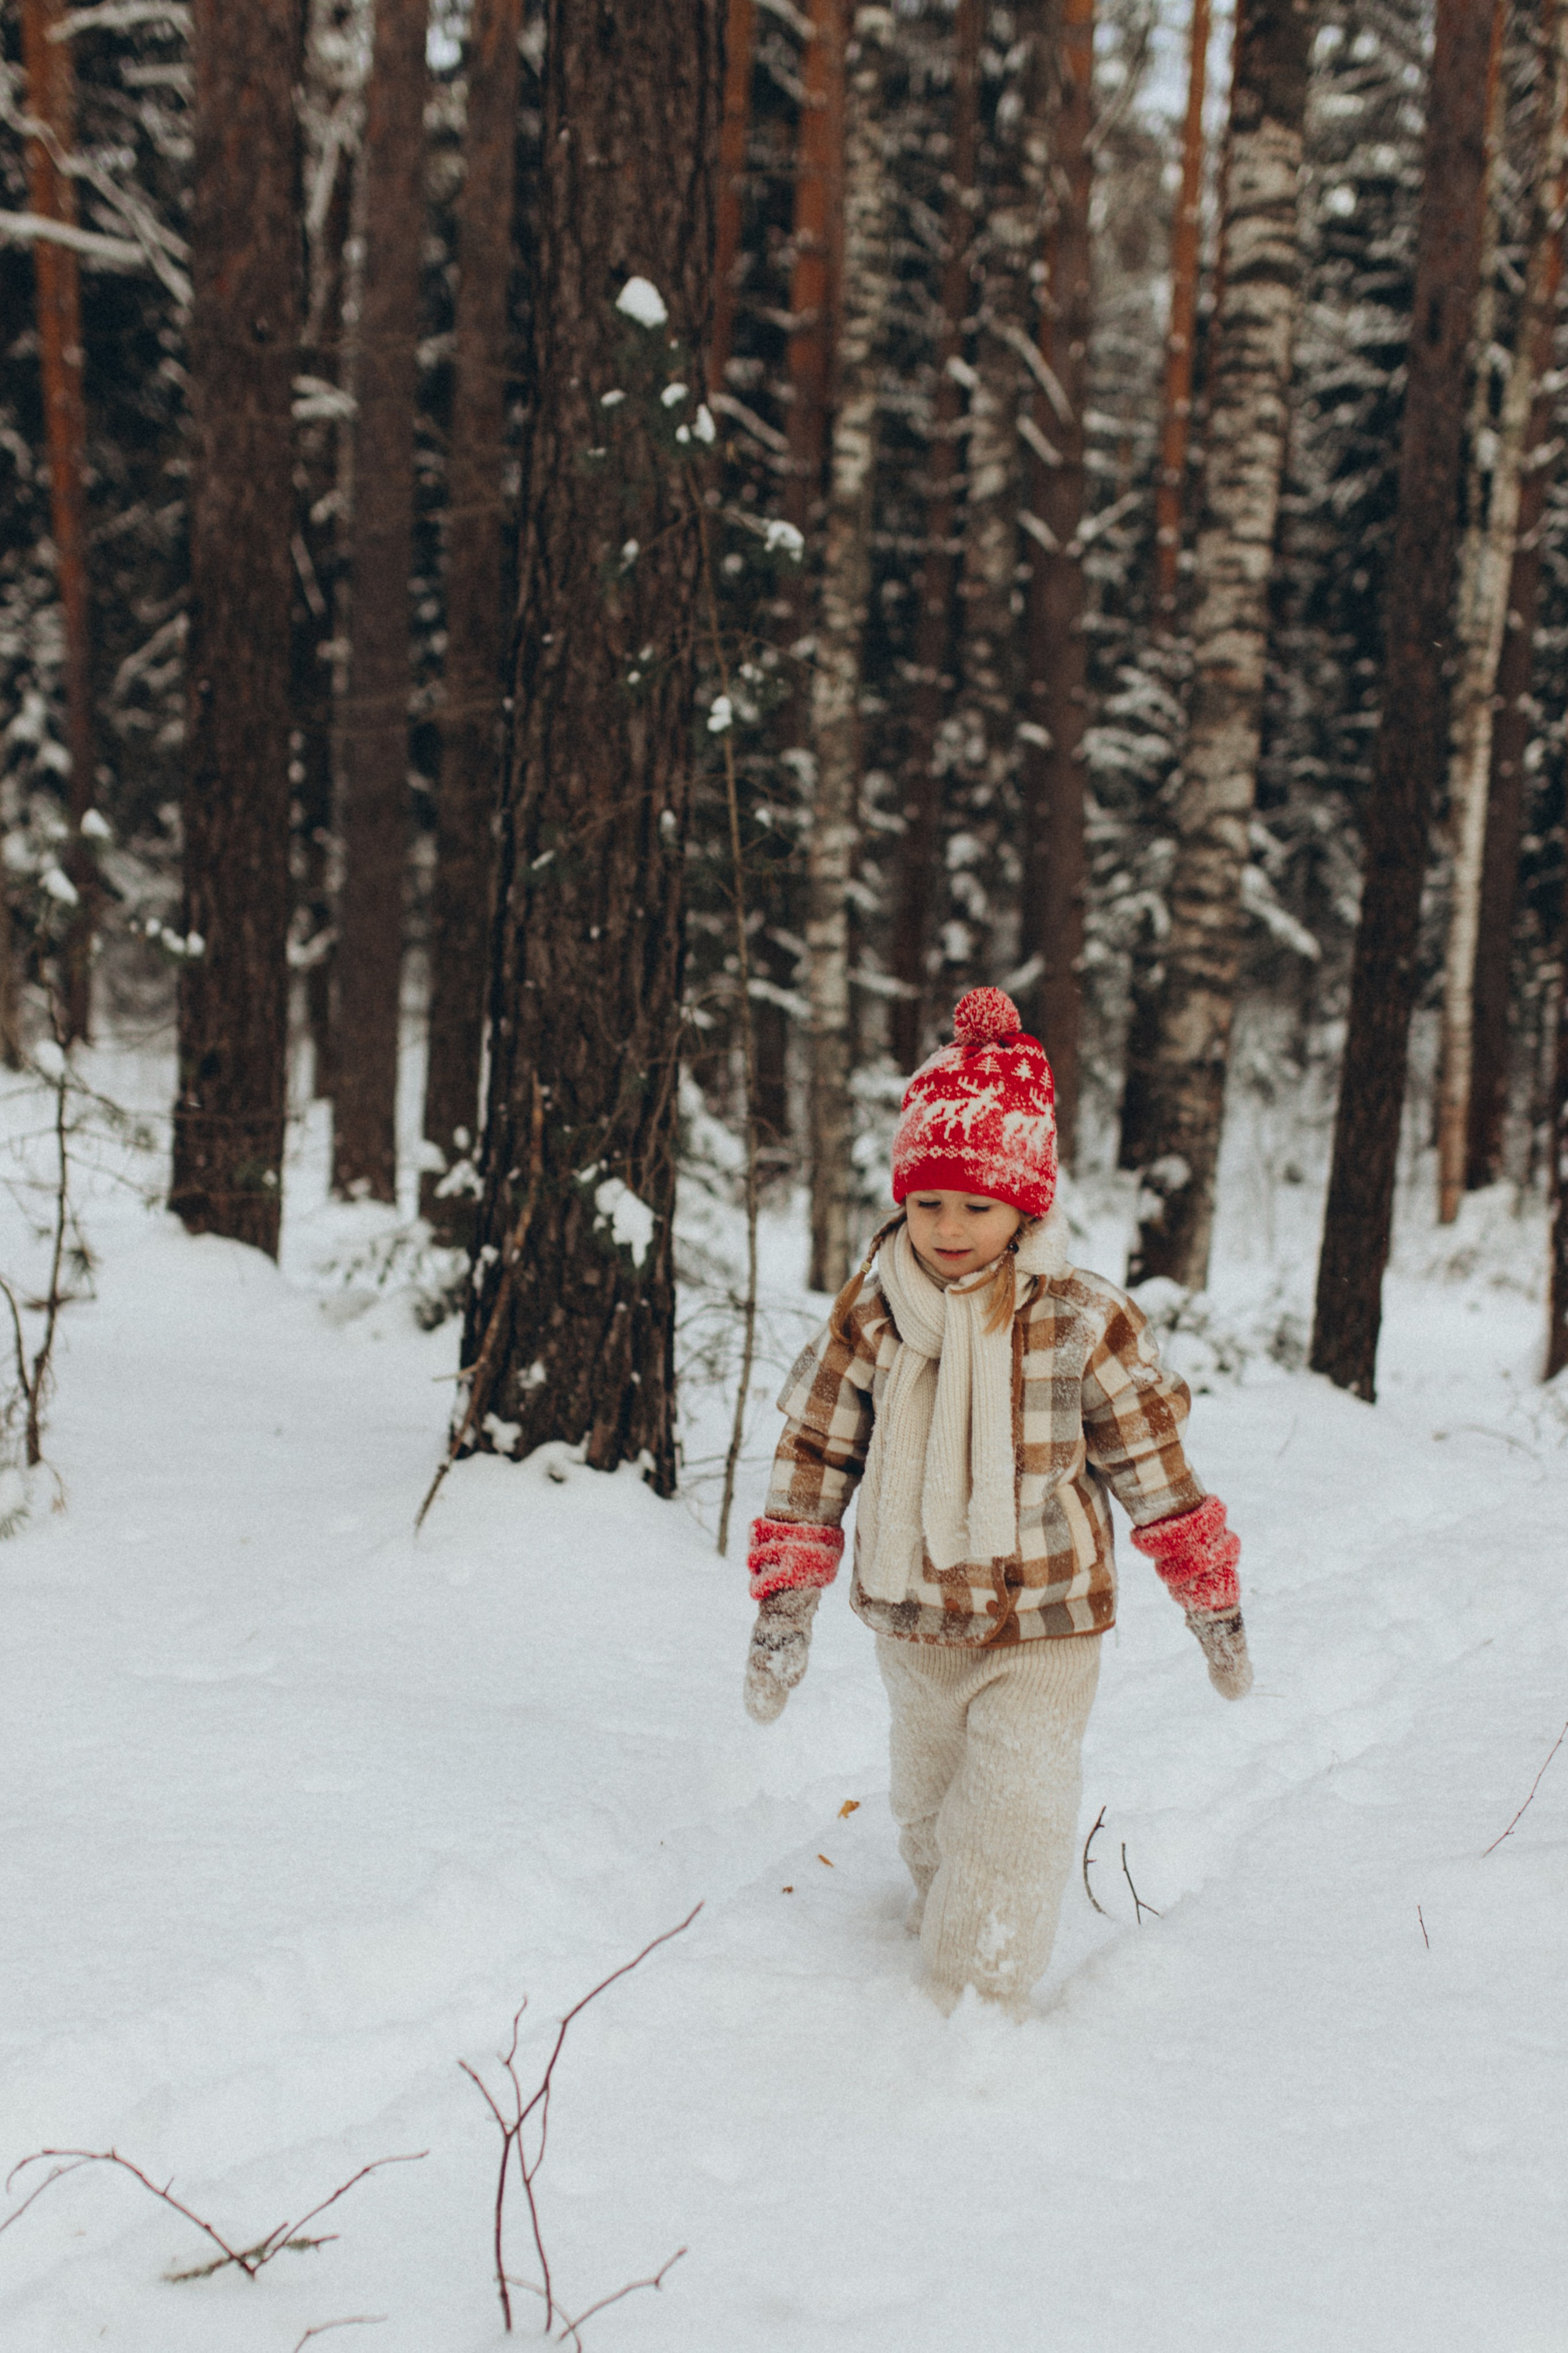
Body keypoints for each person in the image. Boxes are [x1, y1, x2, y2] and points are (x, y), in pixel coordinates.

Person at [742, 986, 1253, 2015]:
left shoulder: (1078, 1319)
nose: (949, 1229)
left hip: (1044, 1617)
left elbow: (1151, 1461)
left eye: (977, 1205)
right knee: (932, 1812)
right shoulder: (874, 1311)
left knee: (1014, 1808)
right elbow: (814, 1448)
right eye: (928, 1202)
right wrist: (783, 1607)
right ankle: (946, 1916)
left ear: (1028, 1203)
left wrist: (1210, 1599)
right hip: (914, 1615)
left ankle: (970, 2010)